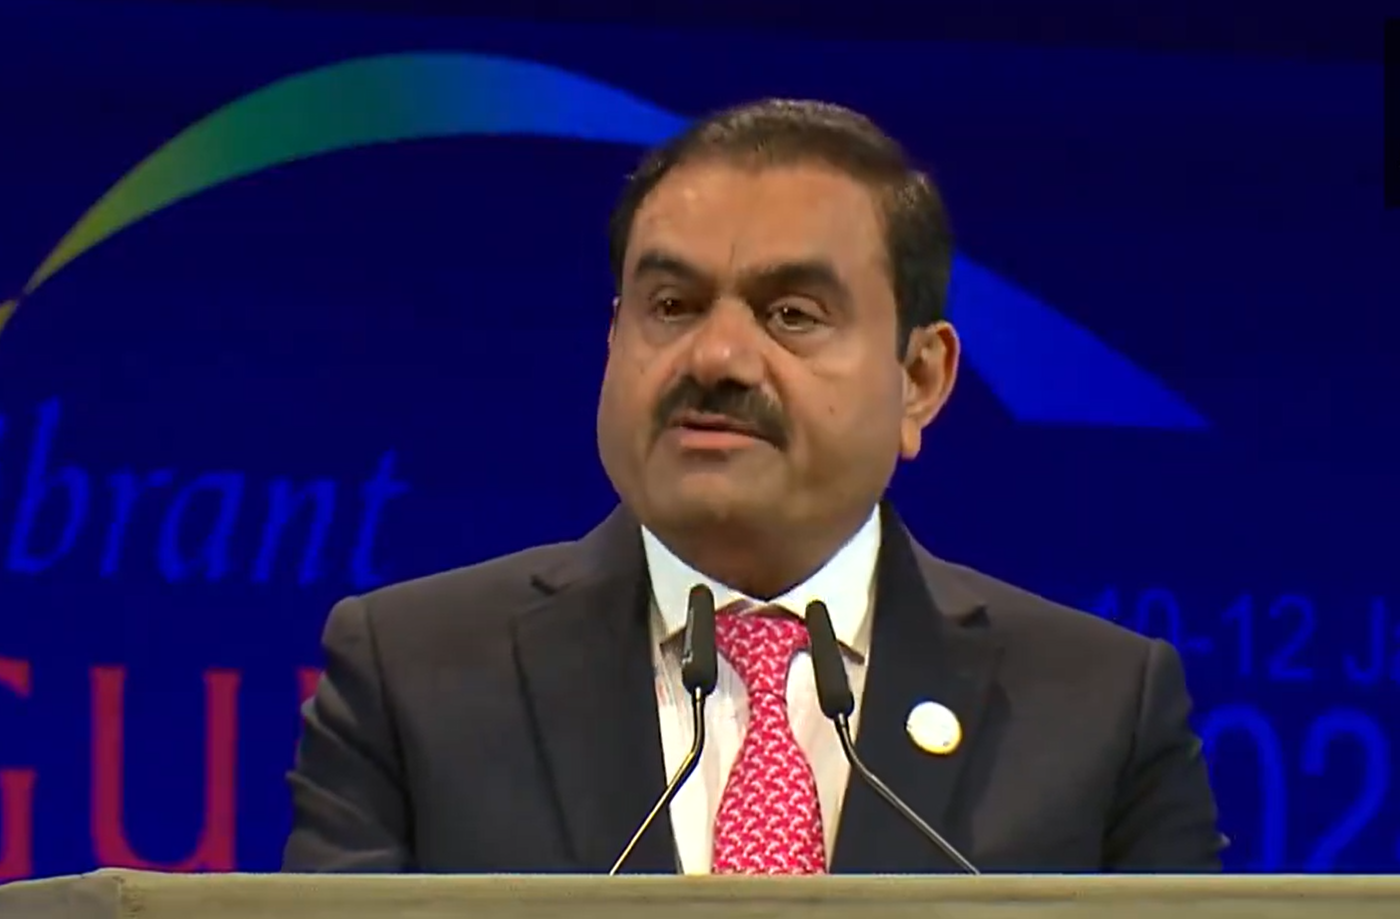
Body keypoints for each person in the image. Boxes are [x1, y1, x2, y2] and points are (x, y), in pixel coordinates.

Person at [282, 99, 1224, 875]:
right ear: (613, 340)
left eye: (791, 314)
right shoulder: (414, 678)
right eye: (672, 306)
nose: (718, 356)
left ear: (920, 379)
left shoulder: (1100, 713)